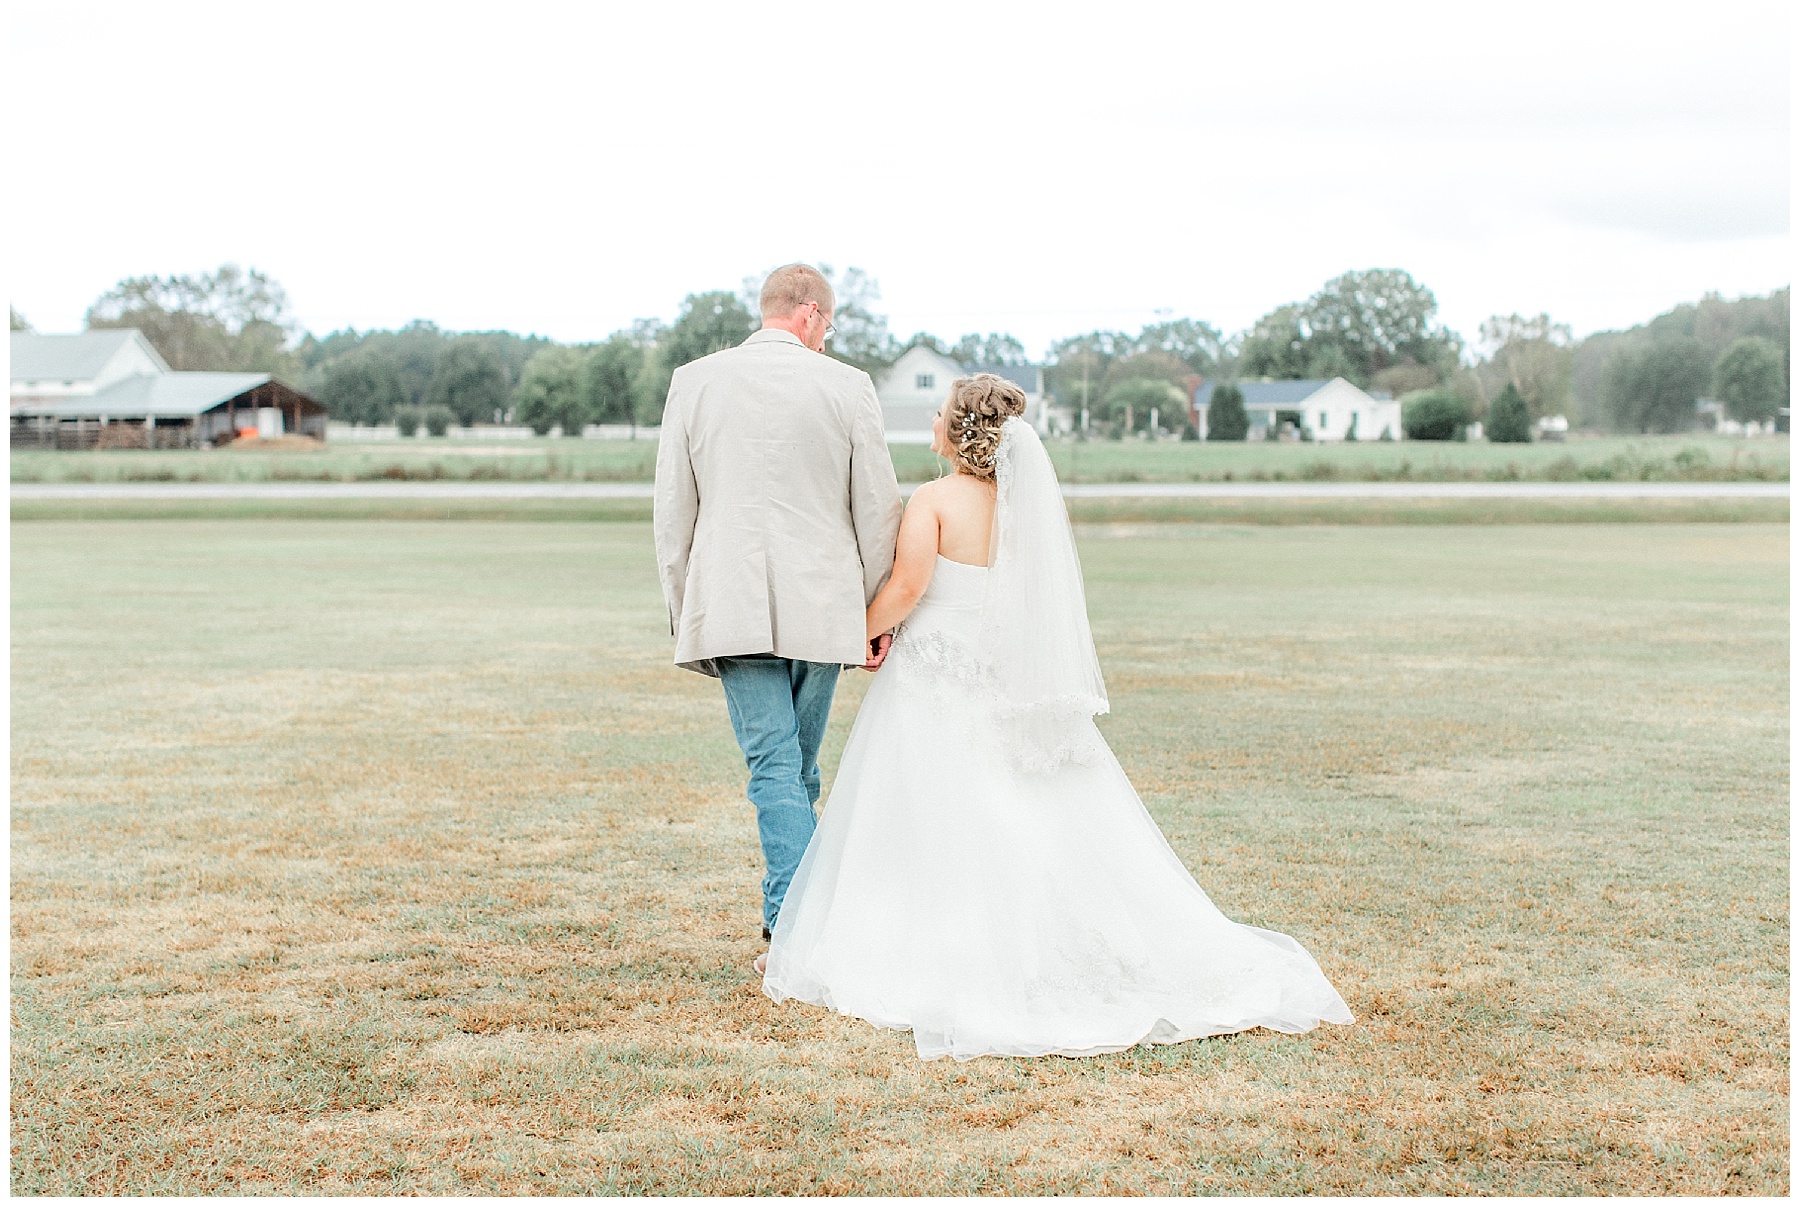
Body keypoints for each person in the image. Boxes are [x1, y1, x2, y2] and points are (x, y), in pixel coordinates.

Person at [762, 373, 1354, 1060]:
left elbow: (908, 585)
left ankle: (940, 943)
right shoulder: (1022, 507)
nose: (929, 420)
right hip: (997, 673)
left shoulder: (932, 499)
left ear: (959, 429)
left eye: (937, 412)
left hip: (935, 679)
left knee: (933, 810)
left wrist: (858, 632)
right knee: (1014, 805)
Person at [653, 263, 902, 952]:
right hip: (825, 606)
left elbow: (673, 512)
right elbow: (877, 509)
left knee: (783, 765)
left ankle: (793, 925)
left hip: (726, 600)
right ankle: (800, 925)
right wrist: (877, 614)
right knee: (788, 765)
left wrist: (686, 610)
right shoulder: (848, 386)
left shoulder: (694, 381)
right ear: (811, 314)